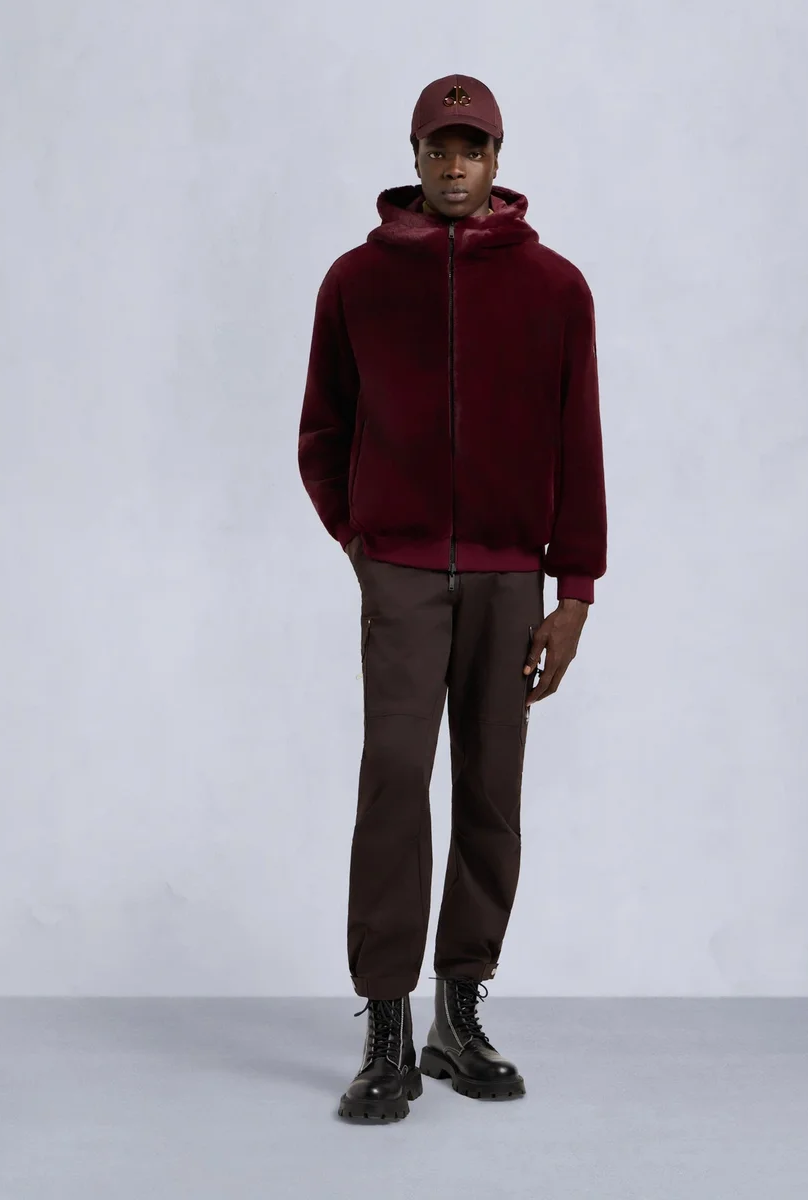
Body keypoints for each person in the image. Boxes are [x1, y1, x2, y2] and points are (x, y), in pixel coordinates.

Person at [298, 73, 607, 1123]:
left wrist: (574, 589)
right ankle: (385, 1026)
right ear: (416, 155)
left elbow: (578, 440)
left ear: (498, 158)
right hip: (400, 569)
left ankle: (457, 1014)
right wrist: (363, 539)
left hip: (512, 575)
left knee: (490, 789)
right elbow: (322, 431)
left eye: (473, 148)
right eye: (440, 147)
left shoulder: (555, 288)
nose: (455, 165)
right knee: (395, 778)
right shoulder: (356, 281)